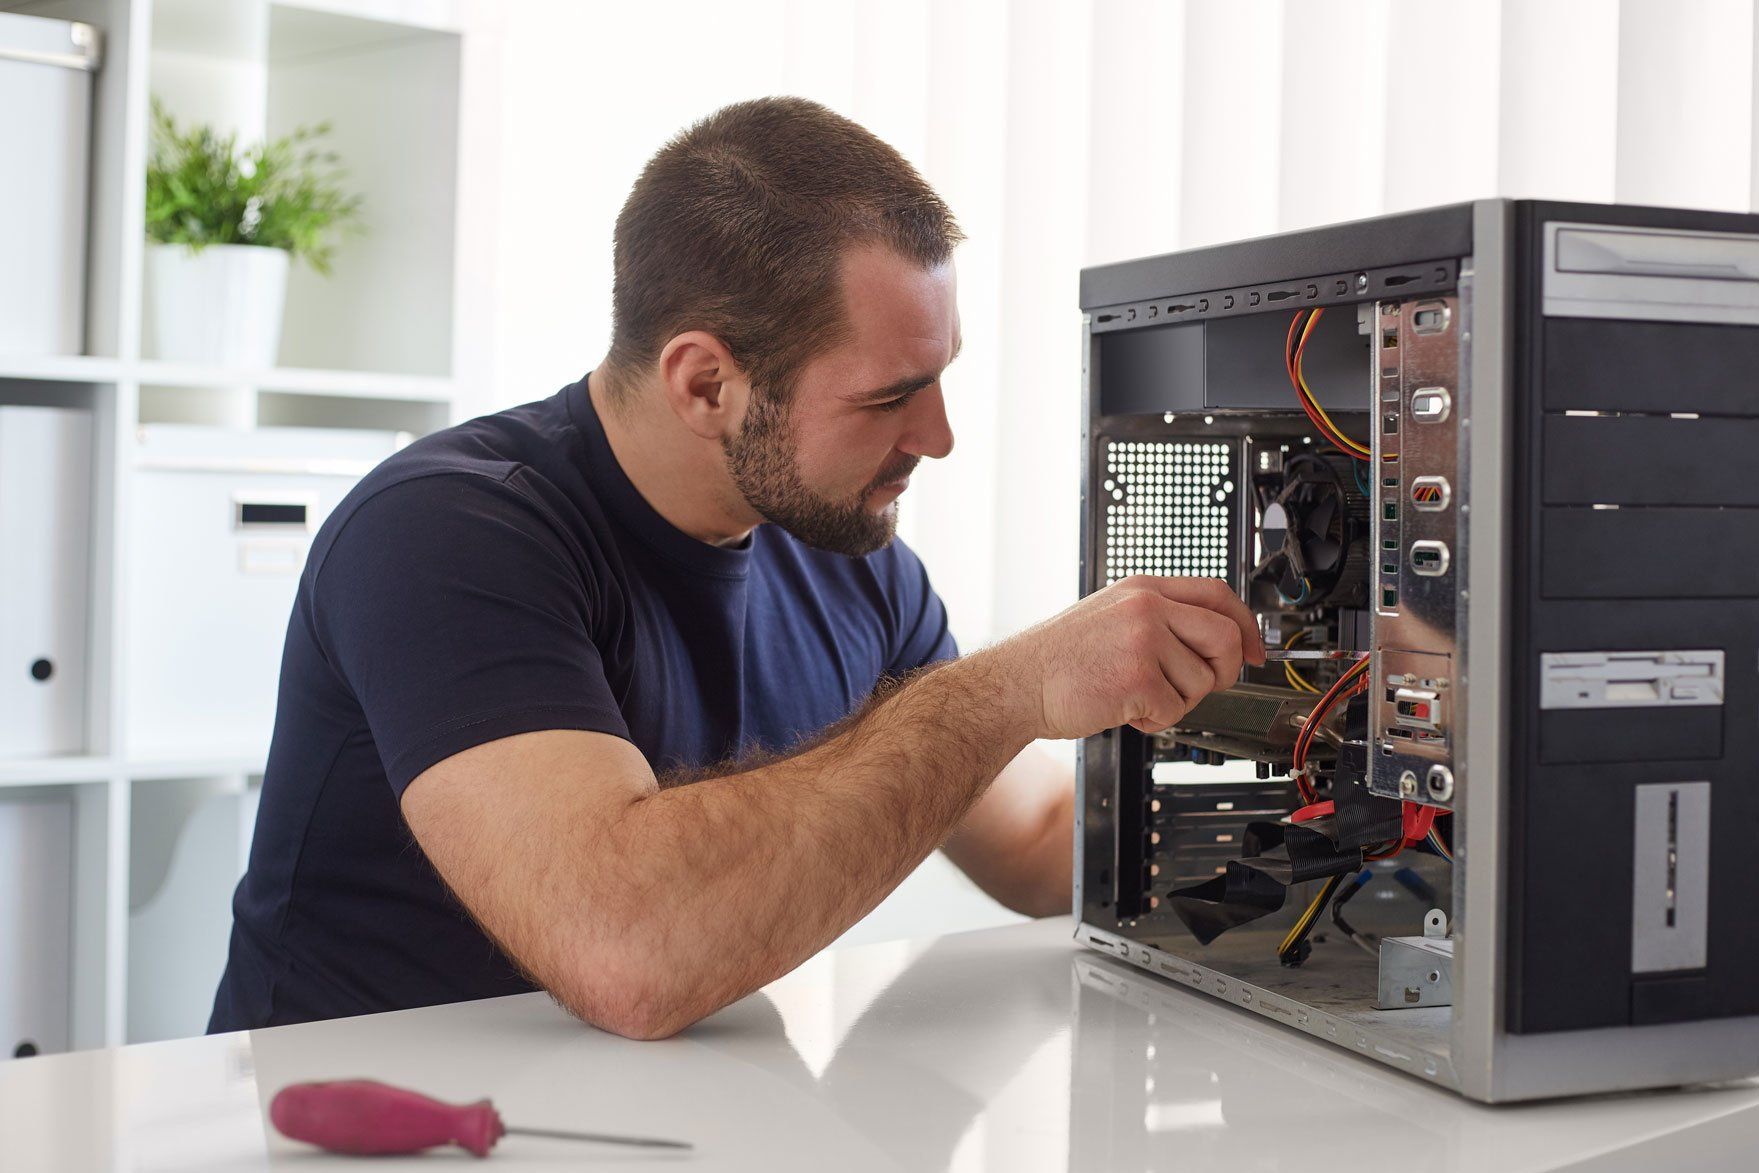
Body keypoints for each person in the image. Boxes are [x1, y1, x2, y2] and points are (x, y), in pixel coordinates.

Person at [208, 96, 1262, 1039]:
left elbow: (1035, 842)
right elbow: (629, 953)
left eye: (940, 380)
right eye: (890, 396)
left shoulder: (852, 560)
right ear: (706, 383)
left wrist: (1361, 806)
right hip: (372, 1135)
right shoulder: (444, 533)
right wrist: (1013, 686)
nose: (937, 438)